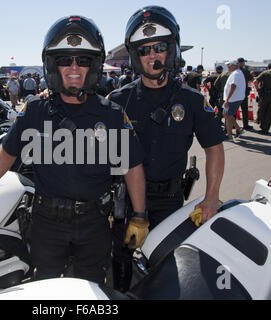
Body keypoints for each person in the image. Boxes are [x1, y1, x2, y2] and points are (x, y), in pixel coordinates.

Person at [0, 15, 147, 285]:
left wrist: (140, 216)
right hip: (46, 223)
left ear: (94, 66)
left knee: (92, 288)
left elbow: (133, 166)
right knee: (45, 288)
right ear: (53, 65)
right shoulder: (35, 112)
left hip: (93, 222)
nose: (74, 67)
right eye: (65, 59)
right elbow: (6, 153)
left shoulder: (112, 115)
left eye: (83, 60)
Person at [108, 5, 225, 292]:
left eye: (159, 47)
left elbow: (214, 148)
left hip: (170, 200)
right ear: (136, 56)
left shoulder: (193, 101)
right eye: (145, 50)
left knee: (166, 270)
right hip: (124, 200)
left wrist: (211, 197)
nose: (153, 56)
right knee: (120, 263)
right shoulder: (117, 99)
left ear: (170, 51)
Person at [223, 60, 246, 142]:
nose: (228, 67)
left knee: (228, 116)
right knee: (226, 114)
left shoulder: (236, 73)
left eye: (229, 65)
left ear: (234, 65)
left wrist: (227, 99)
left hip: (233, 99)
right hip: (234, 98)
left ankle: (229, 136)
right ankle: (238, 129)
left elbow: (233, 86)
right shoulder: (236, 73)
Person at [254, 63, 271, 135]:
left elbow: (255, 81)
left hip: (265, 95)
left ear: (268, 67)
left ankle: (263, 127)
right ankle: (266, 129)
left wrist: (258, 90)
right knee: (269, 112)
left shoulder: (265, 73)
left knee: (262, 110)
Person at [237, 57, 254, 130]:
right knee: (244, 109)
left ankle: (232, 125)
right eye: (243, 62)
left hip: (234, 93)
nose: (244, 64)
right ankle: (245, 125)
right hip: (243, 92)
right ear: (241, 63)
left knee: (234, 110)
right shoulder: (244, 71)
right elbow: (251, 78)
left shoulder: (234, 70)